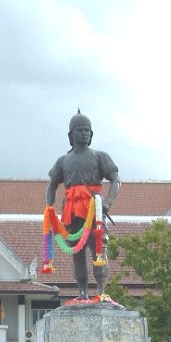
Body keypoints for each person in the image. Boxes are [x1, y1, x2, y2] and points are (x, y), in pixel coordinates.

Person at [45, 110, 120, 300]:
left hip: (93, 210)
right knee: (76, 252)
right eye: (80, 130)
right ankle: (82, 292)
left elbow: (115, 180)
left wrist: (108, 203)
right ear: (71, 135)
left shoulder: (100, 156)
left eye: (88, 130)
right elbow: (52, 185)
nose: (84, 133)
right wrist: (49, 208)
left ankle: (101, 291)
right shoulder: (63, 161)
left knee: (99, 250)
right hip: (71, 211)